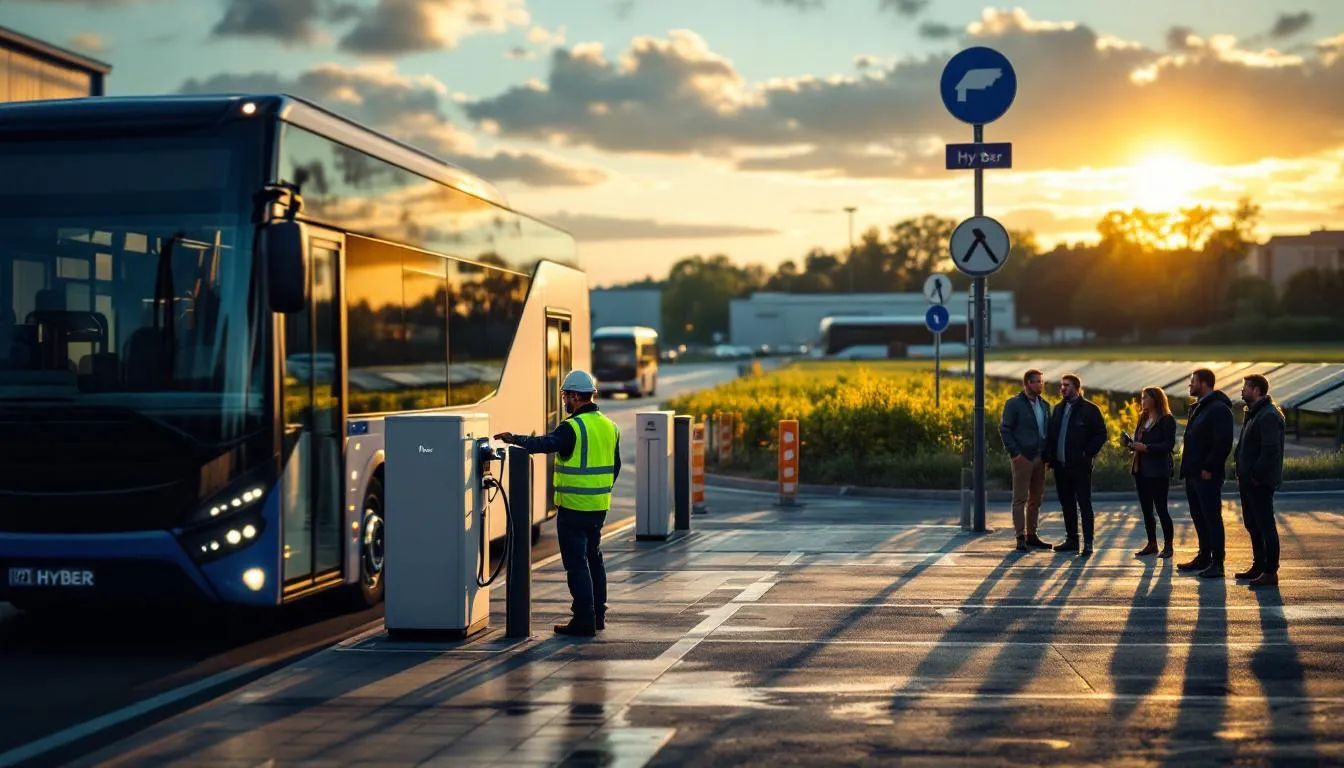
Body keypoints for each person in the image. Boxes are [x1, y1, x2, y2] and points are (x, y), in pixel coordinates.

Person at [494, 370, 620, 637]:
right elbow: (615, 466)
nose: (564, 401)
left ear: (575, 396)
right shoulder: (610, 426)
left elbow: (546, 443)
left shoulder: (572, 427)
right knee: (594, 558)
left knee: (576, 564)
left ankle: (584, 619)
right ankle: (598, 615)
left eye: (565, 396)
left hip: (574, 507)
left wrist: (515, 439)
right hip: (599, 506)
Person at [1177, 368, 1235, 578]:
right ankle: (1203, 557)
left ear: (1204, 383)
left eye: (1193, 381)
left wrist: (1209, 468)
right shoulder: (1200, 407)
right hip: (1194, 473)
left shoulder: (1218, 409)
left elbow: (1223, 443)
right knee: (1199, 516)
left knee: (1211, 518)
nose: (1190, 385)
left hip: (1206, 474)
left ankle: (1217, 563)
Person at [1045, 373, 1108, 557]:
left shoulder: (1089, 410)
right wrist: (1050, 457)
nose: (1063, 388)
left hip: (1080, 466)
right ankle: (1072, 540)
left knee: (1084, 505)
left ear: (1077, 388)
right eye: (1062, 385)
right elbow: (1052, 435)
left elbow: (1101, 434)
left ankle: (1088, 543)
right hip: (1061, 466)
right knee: (1067, 504)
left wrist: (1087, 453)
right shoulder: (1058, 409)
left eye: (1067, 385)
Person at [1232, 374, 1285, 588]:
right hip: (1248, 480)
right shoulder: (1254, 413)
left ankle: (1270, 572)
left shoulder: (1268, 415)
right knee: (1253, 524)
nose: (1242, 390)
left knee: (1265, 526)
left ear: (1256, 390)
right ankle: (1259, 566)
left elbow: (1271, 450)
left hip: (1259, 482)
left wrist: (1255, 475)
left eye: (1246, 387)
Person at [999, 368, 1053, 552]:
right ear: (1027, 383)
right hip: (1023, 457)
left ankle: (1032, 535)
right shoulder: (1014, 404)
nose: (1040, 385)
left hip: (1040, 458)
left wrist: (1048, 455)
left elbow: (1047, 432)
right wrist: (1015, 453)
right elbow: (1005, 429)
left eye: (1041, 382)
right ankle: (1020, 537)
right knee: (1020, 499)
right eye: (1037, 381)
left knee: (1036, 499)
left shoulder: (1044, 405)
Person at [1125, 387, 1177, 558]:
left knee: (1161, 509)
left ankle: (1168, 546)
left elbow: (1168, 445)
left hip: (1157, 471)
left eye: (1146, 397)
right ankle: (1152, 544)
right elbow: (1139, 440)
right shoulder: (1143, 417)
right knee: (1147, 510)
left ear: (1156, 399)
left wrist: (1147, 448)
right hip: (1140, 469)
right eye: (1142, 397)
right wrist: (1133, 445)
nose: (1143, 401)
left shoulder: (1167, 419)